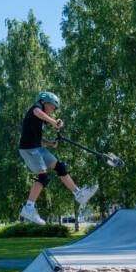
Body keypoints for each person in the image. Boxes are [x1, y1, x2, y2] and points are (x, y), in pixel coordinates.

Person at [18, 91, 98, 225]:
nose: (53, 111)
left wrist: (50, 143)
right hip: (29, 150)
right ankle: (28, 208)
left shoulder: (39, 119)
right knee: (43, 177)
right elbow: (38, 112)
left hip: (37, 148)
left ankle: (79, 194)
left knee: (60, 166)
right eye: (52, 108)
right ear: (45, 103)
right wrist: (54, 122)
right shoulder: (36, 108)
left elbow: (36, 137)